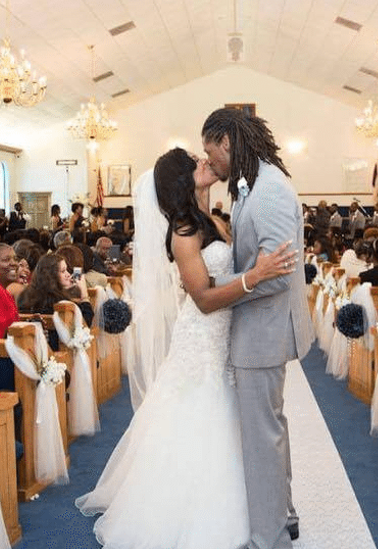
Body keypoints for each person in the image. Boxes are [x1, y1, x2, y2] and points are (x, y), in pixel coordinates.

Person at [76, 145, 297, 549]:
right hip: (202, 335)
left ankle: (263, 511)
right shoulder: (182, 231)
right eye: (195, 162)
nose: (205, 162)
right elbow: (205, 299)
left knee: (231, 420)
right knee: (200, 417)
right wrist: (257, 276)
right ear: (181, 179)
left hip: (226, 335)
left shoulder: (209, 220)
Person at [202, 108, 313, 547]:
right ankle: (282, 514)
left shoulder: (268, 191)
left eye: (212, 153)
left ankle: (269, 538)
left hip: (262, 332)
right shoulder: (252, 183)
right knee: (272, 428)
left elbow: (279, 274)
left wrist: (217, 286)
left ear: (227, 141)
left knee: (261, 438)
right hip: (259, 328)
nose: (211, 163)